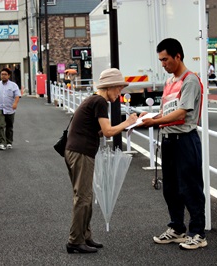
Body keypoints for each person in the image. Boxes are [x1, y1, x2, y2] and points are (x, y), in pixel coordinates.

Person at [140, 38, 207, 250]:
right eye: (160, 60)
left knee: (191, 188)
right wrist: (148, 116)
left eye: (165, 59)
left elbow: (181, 112)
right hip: (169, 139)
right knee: (171, 188)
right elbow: (166, 112)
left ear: (178, 56)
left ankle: (197, 233)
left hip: (185, 139)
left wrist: (154, 121)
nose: (163, 64)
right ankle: (177, 228)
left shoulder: (190, 80)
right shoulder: (170, 82)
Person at [64, 68, 137, 254]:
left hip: (77, 150)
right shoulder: (100, 101)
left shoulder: (93, 100)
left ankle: (85, 236)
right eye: (118, 89)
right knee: (83, 197)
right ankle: (75, 240)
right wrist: (128, 123)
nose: (119, 93)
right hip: (81, 152)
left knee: (86, 196)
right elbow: (108, 131)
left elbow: (93, 129)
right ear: (110, 86)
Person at [0, 68, 21, 150]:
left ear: (9, 75)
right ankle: (1, 143)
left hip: (10, 109)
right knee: (0, 125)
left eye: (5, 74)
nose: (3, 76)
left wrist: (15, 103)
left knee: (9, 126)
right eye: (2, 74)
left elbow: (17, 96)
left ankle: (9, 142)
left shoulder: (13, 85)